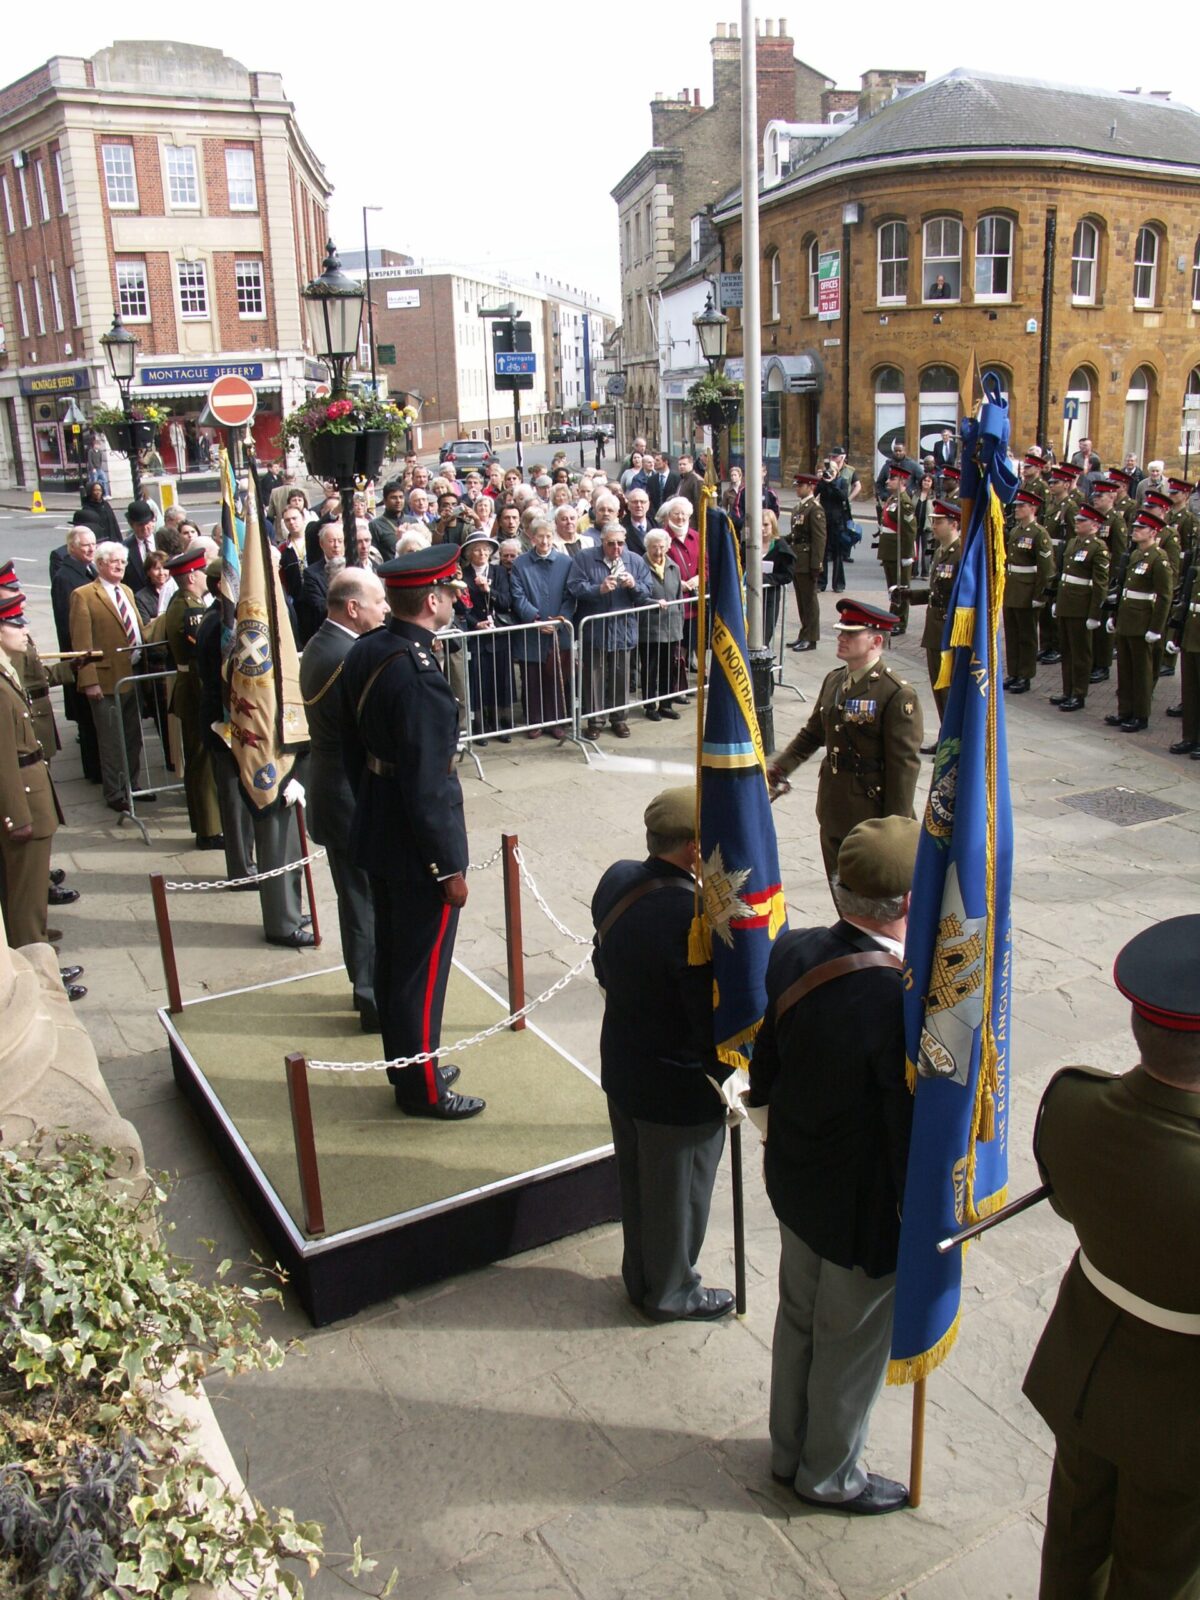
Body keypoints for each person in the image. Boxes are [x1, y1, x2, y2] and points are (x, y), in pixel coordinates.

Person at [1022, 914, 1200, 1598]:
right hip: (1181, 1417)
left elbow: (1069, 1203)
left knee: (1072, 1540)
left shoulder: (1071, 1103)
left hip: (1085, 1366)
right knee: (1160, 1572)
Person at [750, 815, 919, 1514]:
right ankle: (829, 1475)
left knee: (797, 1317)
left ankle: (789, 1450)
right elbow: (905, 1132)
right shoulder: (899, 1001)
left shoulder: (793, 950)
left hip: (796, 1181)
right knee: (848, 1344)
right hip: (860, 1213)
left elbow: (767, 1066)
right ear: (910, 903)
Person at [340, 545, 485, 1121]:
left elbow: (356, 755)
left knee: (394, 963)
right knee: (419, 974)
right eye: (449, 592)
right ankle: (422, 1090)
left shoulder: (368, 649)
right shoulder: (420, 677)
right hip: (417, 850)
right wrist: (447, 867)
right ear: (430, 601)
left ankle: (410, 1063)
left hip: (378, 829)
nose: (454, 599)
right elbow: (427, 789)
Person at [591, 786, 734, 1322]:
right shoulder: (693, 919)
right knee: (679, 1199)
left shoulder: (618, 878)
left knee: (637, 1185)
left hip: (624, 1062)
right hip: (677, 1086)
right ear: (695, 849)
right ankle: (671, 1292)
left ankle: (642, 1277)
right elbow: (707, 1017)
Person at [767, 599, 923, 884]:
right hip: (833, 803)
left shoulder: (896, 694)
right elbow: (813, 734)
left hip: (870, 810)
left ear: (876, 640)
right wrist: (779, 770)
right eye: (841, 631)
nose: (841, 637)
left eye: (851, 633)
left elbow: (904, 767)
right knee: (839, 887)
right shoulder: (835, 680)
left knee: (871, 895)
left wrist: (895, 828)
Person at [300, 567, 389, 1032]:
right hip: (349, 795)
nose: (385, 608)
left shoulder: (323, 644)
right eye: (377, 601)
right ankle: (372, 996)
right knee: (364, 902)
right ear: (352, 608)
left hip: (331, 790)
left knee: (355, 899)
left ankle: (366, 986)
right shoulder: (349, 656)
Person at [69, 541, 150, 813]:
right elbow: (82, 643)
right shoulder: (84, 595)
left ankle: (133, 785)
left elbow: (137, 628)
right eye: (114, 562)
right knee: (112, 739)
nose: (120, 566)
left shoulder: (126, 590)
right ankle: (115, 791)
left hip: (132, 675)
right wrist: (89, 679)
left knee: (132, 736)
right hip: (105, 680)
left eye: (124, 562)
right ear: (101, 563)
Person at [162, 547, 222, 851]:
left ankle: (207, 824)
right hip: (195, 690)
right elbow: (197, 659)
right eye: (200, 572)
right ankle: (209, 828)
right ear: (190, 576)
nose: (203, 578)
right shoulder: (191, 610)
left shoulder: (186, 604)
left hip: (190, 687)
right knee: (202, 762)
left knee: (201, 761)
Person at [573, 524, 652, 739]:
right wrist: (597, 589)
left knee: (621, 675)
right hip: (595, 629)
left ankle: (619, 719)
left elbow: (647, 590)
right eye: (611, 543)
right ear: (602, 542)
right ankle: (595, 720)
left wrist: (634, 585)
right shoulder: (585, 558)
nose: (616, 548)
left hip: (622, 628)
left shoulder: (634, 560)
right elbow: (574, 586)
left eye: (620, 543)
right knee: (593, 677)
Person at [1104, 507, 1173, 733]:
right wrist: (1116, 616)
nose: (1135, 531)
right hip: (1127, 619)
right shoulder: (1134, 555)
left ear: (1153, 532)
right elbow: (1125, 589)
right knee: (1125, 670)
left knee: (1141, 672)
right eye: (1135, 527)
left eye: (1140, 528)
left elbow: (1164, 596)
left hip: (1143, 621)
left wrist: (1156, 628)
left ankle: (1140, 715)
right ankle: (1125, 710)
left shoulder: (1158, 559)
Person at [509, 519, 575, 740]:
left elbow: (570, 594)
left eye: (548, 536)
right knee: (532, 678)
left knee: (556, 676)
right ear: (532, 538)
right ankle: (534, 721)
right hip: (532, 630)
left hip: (559, 629)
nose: (545, 541)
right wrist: (535, 619)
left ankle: (556, 720)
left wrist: (561, 619)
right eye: (540, 537)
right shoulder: (520, 564)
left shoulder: (566, 562)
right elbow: (517, 596)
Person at [1052, 502, 1110, 713]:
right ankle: (1068, 690)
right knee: (1066, 650)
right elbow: (1064, 576)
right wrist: (1058, 602)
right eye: (1077, 520)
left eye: (1082, 521)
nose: (1077, 523)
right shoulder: (1073, 542)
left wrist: (1095, 614)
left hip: (1082, 606)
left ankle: (1079, 693)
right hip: (1067, 603)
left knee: (1080, 653)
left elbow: (1100, 584)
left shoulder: (1098, 548)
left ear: (1094, 525)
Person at [1001, 489, 1055, 693]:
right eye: (1016, 506)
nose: (1016, 509)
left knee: (1027, 635)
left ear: (1032, 508)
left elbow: (1046, 568)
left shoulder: (1039, 533)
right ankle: (1013, 672)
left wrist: (1040, 595)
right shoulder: (1015, 531)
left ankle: (1025, 675)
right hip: (1013, 587)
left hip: (1028, 589)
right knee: (1013, 634)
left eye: (1021, 506)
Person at [920, 500, 962, 748]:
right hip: (934, 627)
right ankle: (945, 735)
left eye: (939, 521)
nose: (933, 525)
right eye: (933, 520)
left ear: (954, 524)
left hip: (949, 628)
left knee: (948, 687)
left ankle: (953, 740)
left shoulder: (960, 553)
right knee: (938, 686)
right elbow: (936, 590)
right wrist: (909, 595)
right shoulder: (940, 551)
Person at [639, 529, 684, 720]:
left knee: (669, 667)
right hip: (649, 626)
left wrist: (679, 624)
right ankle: (650, 706)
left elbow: (679, 596)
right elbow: (638, 595)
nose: (658, 552)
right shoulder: (640, 566)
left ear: (667, 547)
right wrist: (653, 603)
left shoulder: (674, 567)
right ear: (647, 547)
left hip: (671, 626)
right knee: (650, 668)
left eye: (662, 547)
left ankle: (666, 704)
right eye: (654, 547)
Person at [877, 464, 917, 634]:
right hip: (890, 550)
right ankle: (893, 617)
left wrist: (907, 555)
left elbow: (909, 531)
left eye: (892, 478)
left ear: (902, 481)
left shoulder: (905, 503)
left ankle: (899, 622)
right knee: (893, 588)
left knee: (901, 588)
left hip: (899, 551)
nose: (888, 481)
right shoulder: (893, 499)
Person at [789, 473, 826, 651]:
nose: (797, 488)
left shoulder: (815, 509)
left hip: (807, 560)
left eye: (800, 485)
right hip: (798, 559)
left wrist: (816, 565)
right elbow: (795, 535)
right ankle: (804, 634)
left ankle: (811, 638)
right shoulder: (799, 507)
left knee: (810, 601)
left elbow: (819, 540)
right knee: (802, 601)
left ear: (811, 487)